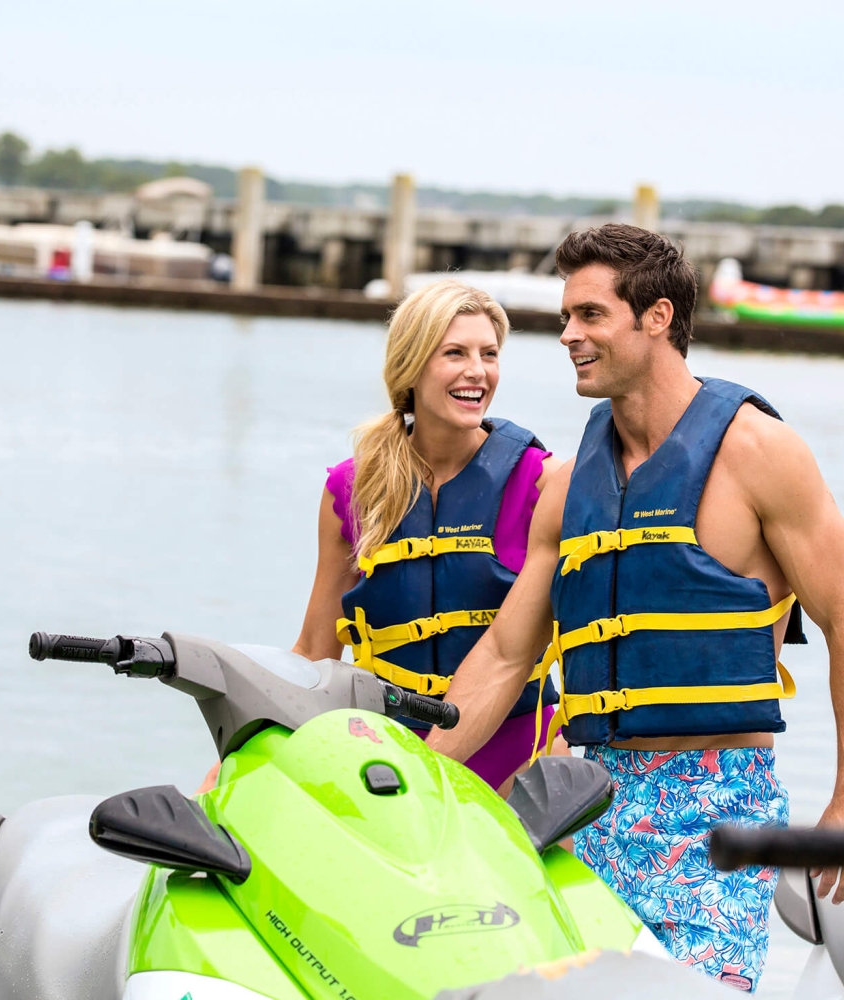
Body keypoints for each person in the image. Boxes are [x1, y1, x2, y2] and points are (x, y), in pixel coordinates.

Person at [426, 223, 844, 992]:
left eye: (589, 315)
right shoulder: (568, 482)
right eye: (564, 318)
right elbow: (506, 655)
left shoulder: (758, 452)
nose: (567, 335)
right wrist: (419, 779)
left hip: (720, 806)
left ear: (656, 318)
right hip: (592, 805)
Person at [293, 279, 567, 792]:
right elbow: (315, 649)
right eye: (455, 353)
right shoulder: (350, 489)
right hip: (381, 756)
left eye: (489, 354)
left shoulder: (541, 482)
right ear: (412, 365)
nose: (477, 371)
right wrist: (246, 744)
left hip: (521, 757)